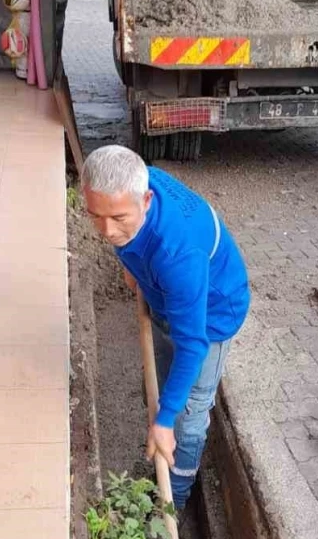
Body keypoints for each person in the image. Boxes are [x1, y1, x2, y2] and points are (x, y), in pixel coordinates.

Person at [81, 145, 250, 511]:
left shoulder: (177, 254)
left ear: (146, 200)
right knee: (158, 388)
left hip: (211, 315)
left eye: (119, 219)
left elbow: (193, 346)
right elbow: (117, 227)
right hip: (165, 296)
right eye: (96, 216)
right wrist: (132, 264)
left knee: (186, 414)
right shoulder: (136, 181)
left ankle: (174, 497)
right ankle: (161, 437)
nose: (107, 231)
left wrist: (166, 419)